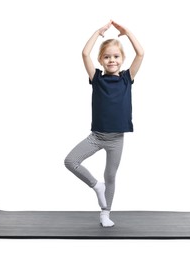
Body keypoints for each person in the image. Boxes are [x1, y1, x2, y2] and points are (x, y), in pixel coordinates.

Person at [64, 20, 144, 227]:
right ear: (100, 59)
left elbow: (141, 53)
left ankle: (105, 213)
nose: (111, 60)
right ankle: (95, 185)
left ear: (122, 59)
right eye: (107, 57)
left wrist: (127, 33)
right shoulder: (96, 78)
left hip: (117, 139)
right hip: (97, 137)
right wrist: (97, 33)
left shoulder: (128, 78)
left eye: (116, 57)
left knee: (111, 176)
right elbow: (84, 54)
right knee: (70, 161)